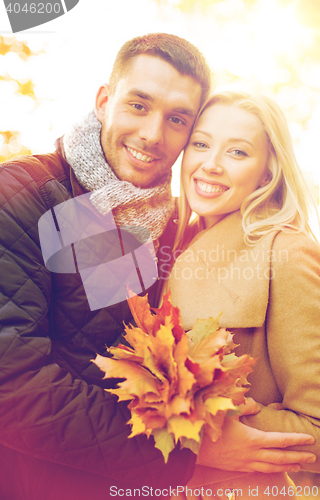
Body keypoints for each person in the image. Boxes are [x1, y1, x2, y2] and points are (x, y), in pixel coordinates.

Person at [0, 33, 316, 500]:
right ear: (104, 101)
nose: (152, 134)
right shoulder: (23, 197)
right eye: (139, 105)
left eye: (177, 120)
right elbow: (14, 384)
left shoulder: (168, 226)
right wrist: (186, 445)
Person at [163, 90, 320, 499]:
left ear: (267, 173)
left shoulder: (286, 254)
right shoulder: (166, 240)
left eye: (237, 152)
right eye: (201, 144)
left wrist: (199, 438)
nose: (210, 164)